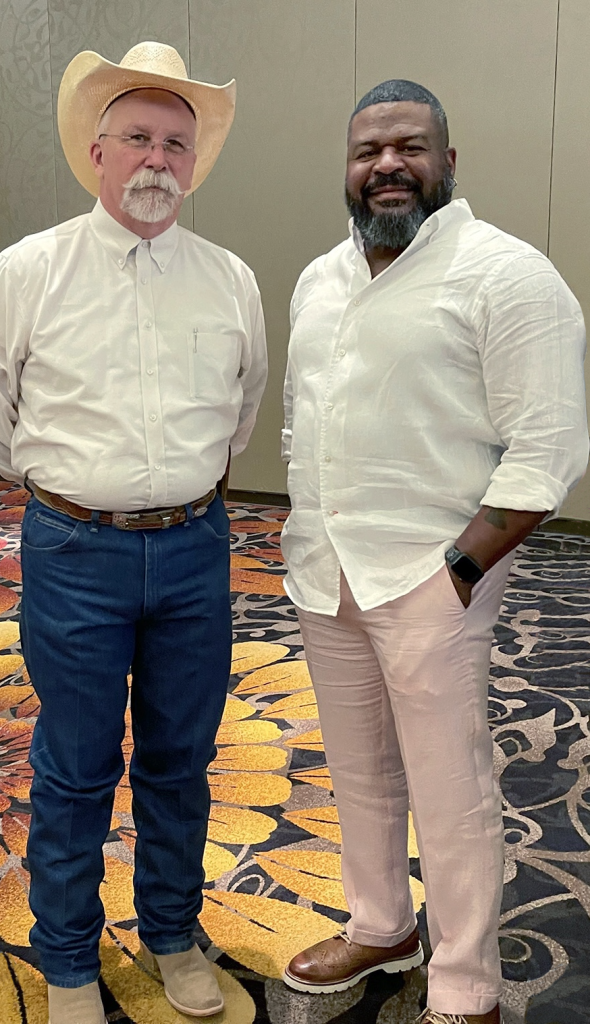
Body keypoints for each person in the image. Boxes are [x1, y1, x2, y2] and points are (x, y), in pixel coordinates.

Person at [0, 42, 267, 1024]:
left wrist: (173, 490)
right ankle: (69, 962)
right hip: (73, 553)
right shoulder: (28, 270)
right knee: (75, 765)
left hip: (193, 551)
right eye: (136, 136)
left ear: (193, 162)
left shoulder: (229, 280)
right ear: (95, 151)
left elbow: (242, 410)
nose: (156, 159)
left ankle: (173, 933)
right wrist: (72, 487)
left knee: (181, 757)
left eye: (176, 143)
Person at [280, 80, 587, 1024]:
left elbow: (549, 447)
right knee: (359, 765)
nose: (386, 166)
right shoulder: (320, 277)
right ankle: (381, 925)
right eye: (368, 150)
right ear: (347, 168)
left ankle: (464, 984)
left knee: (451, 787)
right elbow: (304, 425)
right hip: (325, 569)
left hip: (431, 576)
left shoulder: (507, 274)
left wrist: (460, 569)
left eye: (409, 147)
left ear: (449, 163)